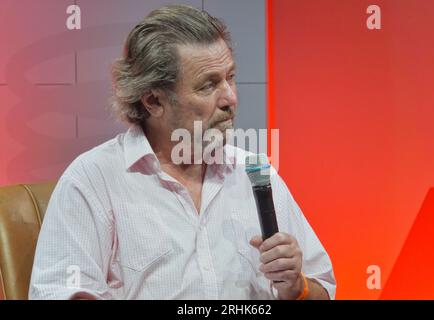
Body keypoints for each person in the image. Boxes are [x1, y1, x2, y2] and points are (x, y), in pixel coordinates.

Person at [29, 5, 336, 300]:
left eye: (230, 77)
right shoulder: (93, 180)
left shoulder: (254, 172)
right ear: (153, 101)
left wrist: (297, 288)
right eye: (208, 85)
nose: (230, 98)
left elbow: (323, 289)